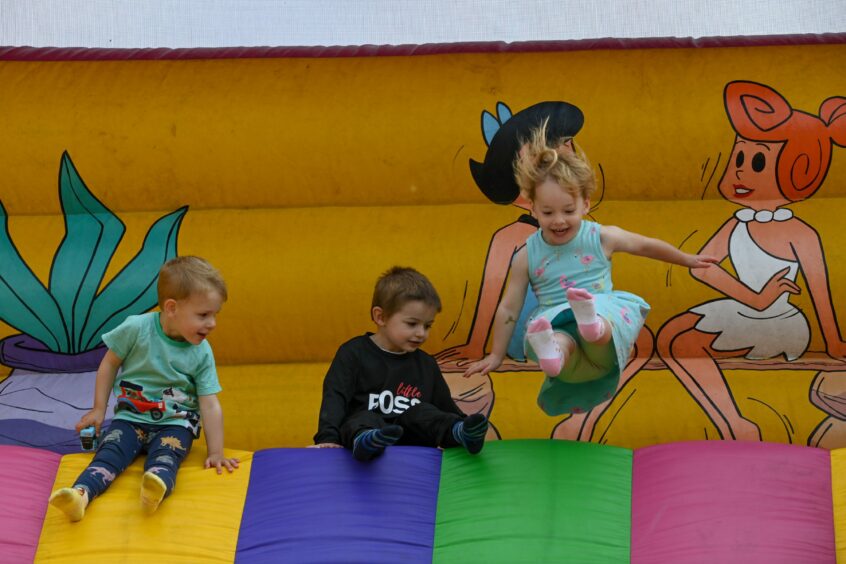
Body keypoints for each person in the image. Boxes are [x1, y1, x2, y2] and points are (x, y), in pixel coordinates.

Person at [463, 120, 718, 416]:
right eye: (547, 212)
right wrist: (495, 353)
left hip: (598, 307)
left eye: (568, 211)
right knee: (575, 343)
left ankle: (576, 335)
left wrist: (686, 259)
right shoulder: (527, 255)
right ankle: (559, 347)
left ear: (586, 204)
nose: (559, 220)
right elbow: (508, 308)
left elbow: (646, 246)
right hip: (564, 315)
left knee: (582, 339)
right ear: (532, 207)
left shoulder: (600, 237)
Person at [48, 256, 239, 522]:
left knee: (166, 456)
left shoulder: (201, 352)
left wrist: (216, 452)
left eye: (215, 314)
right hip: (130, 419)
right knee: (108, 455)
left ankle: (154, 490)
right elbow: (109, 364)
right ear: (172, 308)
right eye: (204, 315)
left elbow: (209, 403)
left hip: (175, 424)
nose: (212, 323)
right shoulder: (137, 328)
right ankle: (80, 495)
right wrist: (98, 409)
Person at [313, 266, 488, 460]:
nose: (422, 333)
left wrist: (461, 426)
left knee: (423, 412)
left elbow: (444, 409)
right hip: (363, 433)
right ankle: (368, 442)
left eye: (428, 325)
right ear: (381, 317)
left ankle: (461, 435)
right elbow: (335, 397)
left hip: (412, 443)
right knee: (363, 418)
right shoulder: (353, 353)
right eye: (412, 324)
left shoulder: (426, 364)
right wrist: (327, 438)